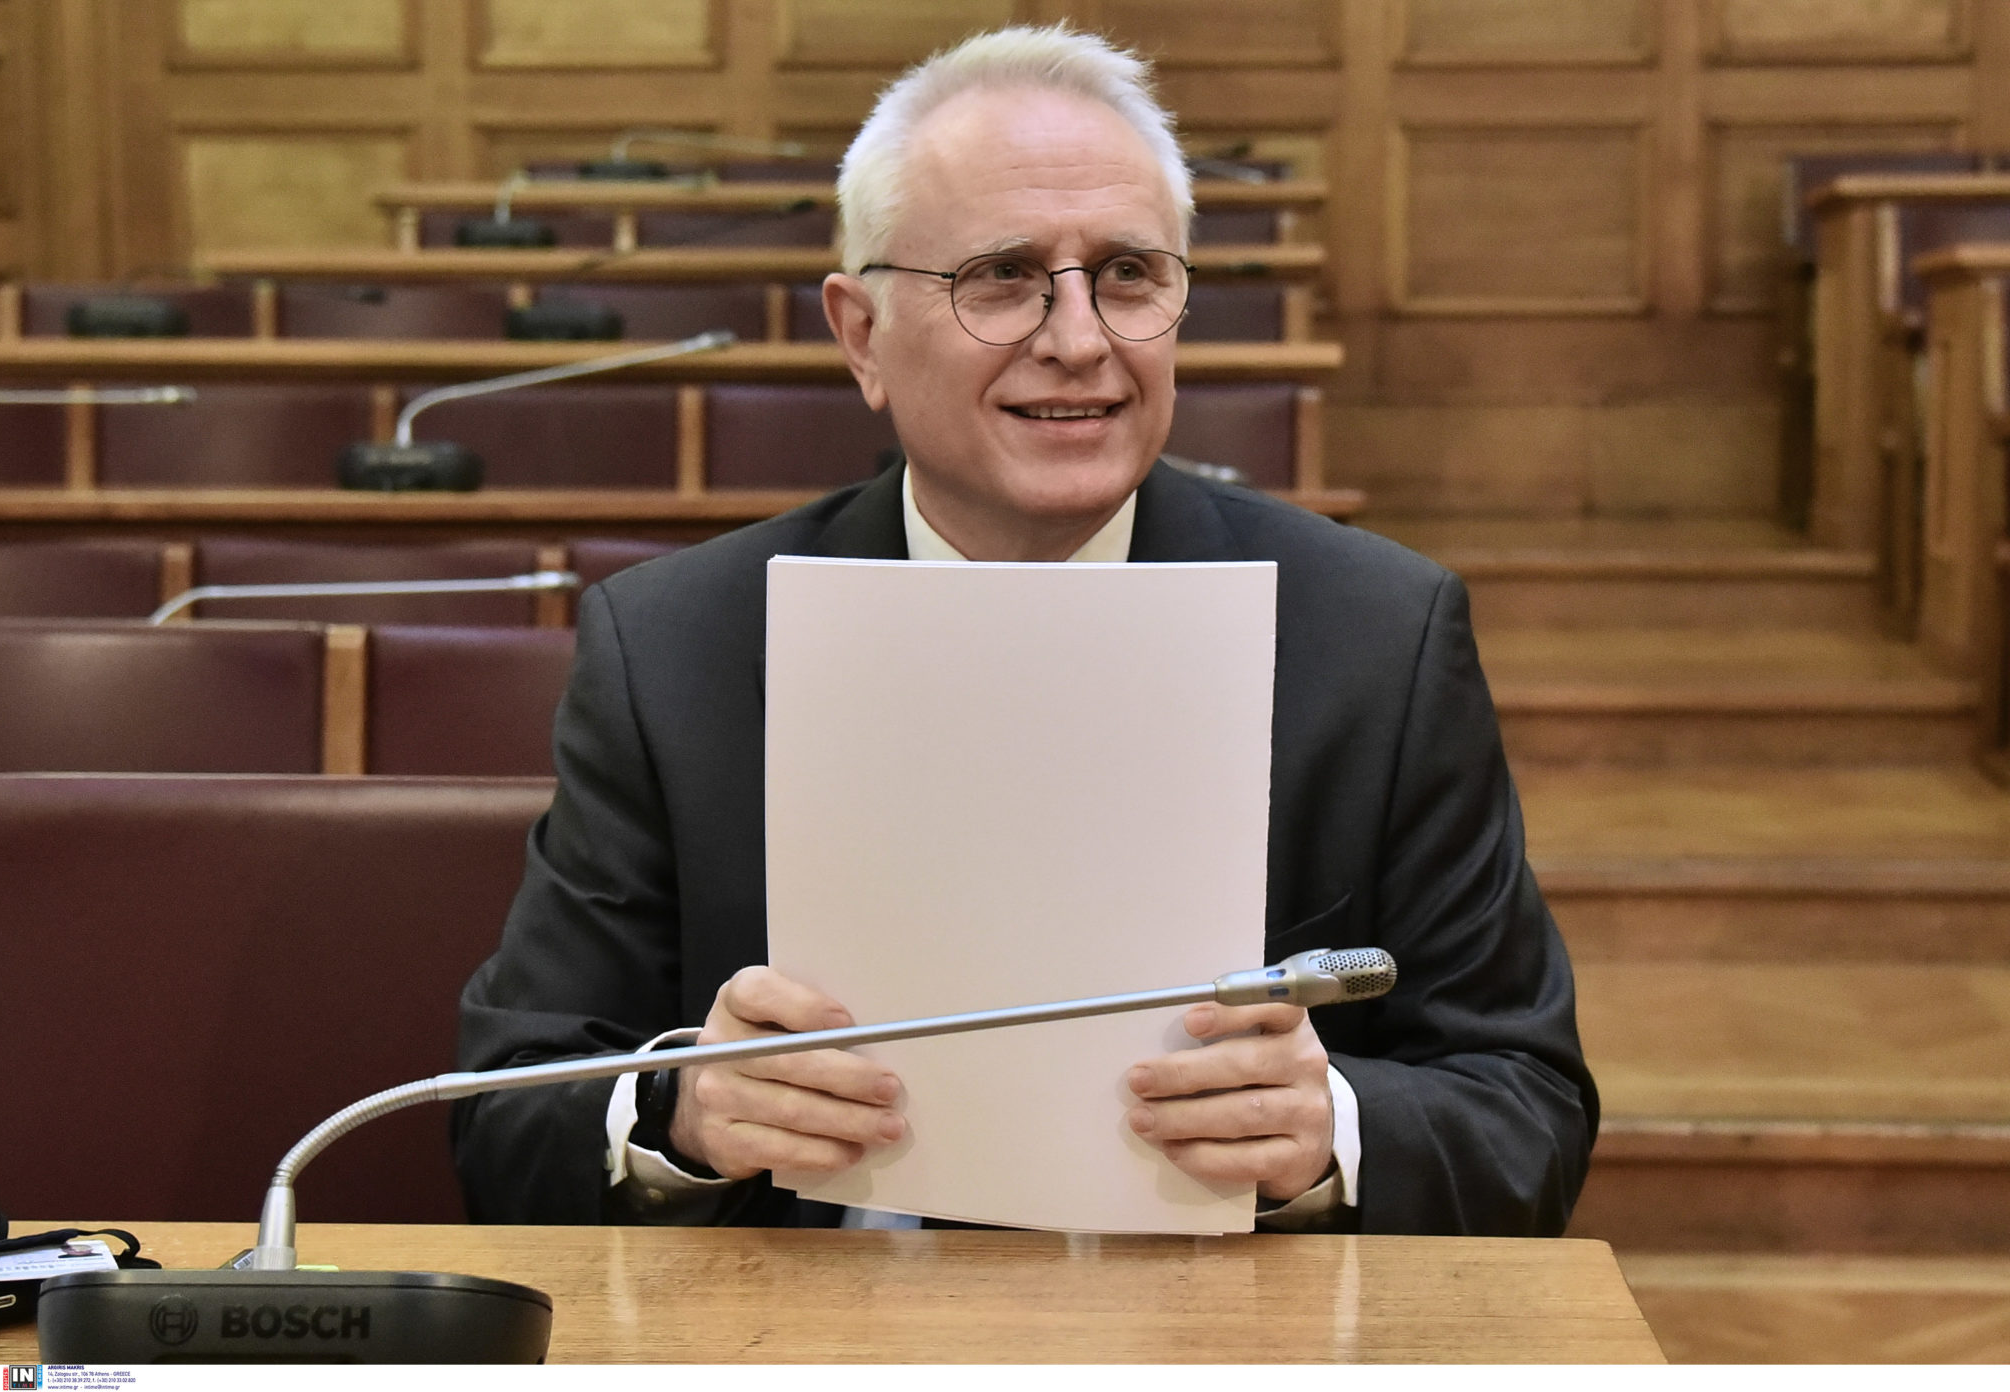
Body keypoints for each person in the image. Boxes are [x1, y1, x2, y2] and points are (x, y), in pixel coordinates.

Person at [454, 24, 1596, 1235]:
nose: (1078, 340)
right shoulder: (673, 647)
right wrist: (679, 1117)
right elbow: (502, 1118)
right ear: (860, 335)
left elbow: (1526, 1112)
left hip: (1225, 1321)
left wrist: (1331, 1133)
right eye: (1000, 277)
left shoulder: (1376, 638)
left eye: (1127, 274)